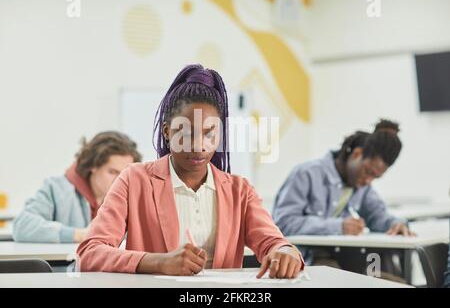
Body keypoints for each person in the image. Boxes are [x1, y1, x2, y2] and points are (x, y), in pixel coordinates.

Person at [77, 64, 304, 278]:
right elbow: (89, 253)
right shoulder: (135, 180)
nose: (198, 145)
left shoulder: (240, 190)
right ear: (167, 131)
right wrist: (159, 262)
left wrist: (285, 251)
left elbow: (273, 242)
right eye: (186, 132)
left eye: (209, 133)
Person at [272, 120, 414, 266]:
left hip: (344, 258)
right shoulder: (306, 174)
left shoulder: (361, 185)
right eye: (368, 172)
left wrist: (395, 224)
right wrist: (338, 226)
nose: (368, 181)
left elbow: (377, 215)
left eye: (375, 177)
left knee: (385, 269)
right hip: (307, 261)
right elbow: (283, 223)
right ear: (357, 154)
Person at [13, 131, 142, 243]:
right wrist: (79, 235)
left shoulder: (130, 195)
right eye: (112, 172)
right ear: (93, 166)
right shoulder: (56, 188)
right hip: (68, 269)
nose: (119, 179)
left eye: (124, 173)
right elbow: (22, 226)